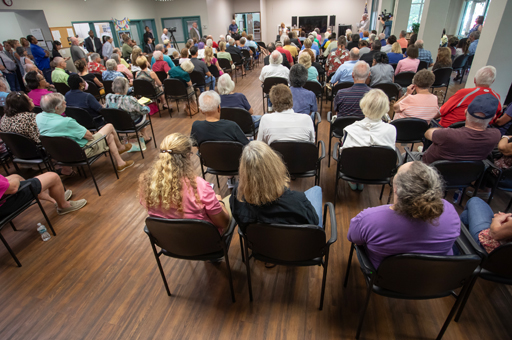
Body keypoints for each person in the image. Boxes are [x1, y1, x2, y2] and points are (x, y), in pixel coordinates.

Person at [347, 161, 460, 268]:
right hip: (435, 280)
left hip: (385, 280)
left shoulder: (369, 219)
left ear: (396, 189)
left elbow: (353, 238)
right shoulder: (449, 210)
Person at [139, 133, 231, 234]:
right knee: (230, 201)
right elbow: (223, 223)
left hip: (170, 242)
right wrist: (220, 203)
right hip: (204, 242)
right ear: (187, 156)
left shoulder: (146, 183)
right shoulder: (200, 186)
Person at [230, 141, 322, 232]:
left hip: (258, 244)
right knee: (316, 189)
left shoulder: (237, 195)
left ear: (243, 170)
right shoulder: (298, 201)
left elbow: (239, 221)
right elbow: (314, 222)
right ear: (275, 166)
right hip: (294, 244)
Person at [37, 93, 134, 172]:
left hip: (59, 154)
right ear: (56, 108)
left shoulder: (39, 117)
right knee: (109, 127)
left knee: (109, 136)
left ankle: (121, 162)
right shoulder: (66, 122)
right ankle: (121, 148)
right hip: (81, 152)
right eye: (63, 103)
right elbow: (89, 137)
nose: (66, 103)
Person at [420, 94, 501, 165]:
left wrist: (440, 130)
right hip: (464, 177)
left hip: (429, 173)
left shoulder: (447, 134)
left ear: (465, 112)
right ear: (493, 118)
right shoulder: (496, 135)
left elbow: (427, 133)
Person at [0, 171, 87, 216]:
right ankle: (63, 206)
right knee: (53, 176)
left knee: (18, 177)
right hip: (6, 202)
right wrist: (14, 179)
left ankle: (55, 200)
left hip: (5, 194)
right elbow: (13, 188)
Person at [105, 77, 152, 142]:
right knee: (143, 112)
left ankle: (145, 136)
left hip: (115, 123)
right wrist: (144, 106)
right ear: (125, 87)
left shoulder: (108, 97)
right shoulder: (129, 99)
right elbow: (144, 111)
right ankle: (145, 136)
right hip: (131, 123)